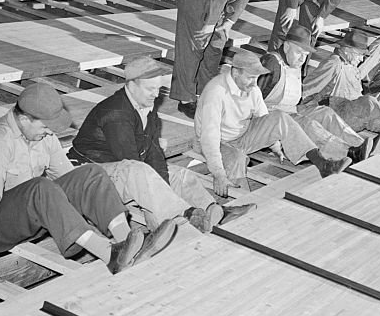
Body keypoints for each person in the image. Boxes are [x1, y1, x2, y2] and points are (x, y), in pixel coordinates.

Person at [0, 83, 176, 294]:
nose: (50, 132)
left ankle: (127, 243)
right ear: (24, 119)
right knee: (40, 188)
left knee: (90, 174)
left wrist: (94, 206)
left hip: (30, 211)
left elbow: (70, 181)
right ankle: (109, 255)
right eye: (44, 126)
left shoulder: (42, 135)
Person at [70, 56, 253, 234]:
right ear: (131, 85)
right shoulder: (116, 114)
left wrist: (163, 184)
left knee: (179, 175)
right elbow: (133, 165)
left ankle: (213, 211)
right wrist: (148, 209)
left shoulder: (145, 107)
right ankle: (185, 216)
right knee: (140, 172)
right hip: (93, 174)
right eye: (150, 89)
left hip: (126, 168)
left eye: (158, 88)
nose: (156, 94)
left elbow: (154, 152)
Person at [171, 0, 295, 118]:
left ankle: (207, 92)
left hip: (217, 1)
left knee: (215, 47)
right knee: (194, 46)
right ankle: (185, 98)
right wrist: (210, 23)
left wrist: (229, 21)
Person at [195, 50, 350, 198]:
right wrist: (218, 173)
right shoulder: (215, 93)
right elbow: (209, 138)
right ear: (235, 73)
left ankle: (322, 164)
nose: (254, 83)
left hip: (242, 136)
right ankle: (239, 204)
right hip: (217, 142)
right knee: (237, 158)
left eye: (256, 78)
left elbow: (266, 118)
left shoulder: (252, 88)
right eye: (250, 77)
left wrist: (276, 146)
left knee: (280, 117)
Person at [259, 25, 372, 161]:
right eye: (299, 52)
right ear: (287, 46)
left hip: (291, 110)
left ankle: (360, 145)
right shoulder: (272, 63)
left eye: (306, 55)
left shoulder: (293, 61)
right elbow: (252, 101)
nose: (302, 59)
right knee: (308, 124)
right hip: (271, 118)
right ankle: (348, 152)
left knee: (325, 113)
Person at [303, 28, 380, 144]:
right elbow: (309, 87)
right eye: (360, 54)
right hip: (342, 112)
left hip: (356, 107)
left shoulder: (351, 64)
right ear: (348, 50)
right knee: (368, 101)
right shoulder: (334, 63)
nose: (362, 58)